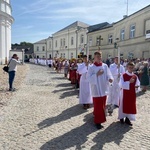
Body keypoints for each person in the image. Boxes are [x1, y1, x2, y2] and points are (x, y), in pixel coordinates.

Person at [87, 51, 113, 129]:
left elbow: (109, 74)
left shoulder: (105, 66)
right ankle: (98, 121)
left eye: (100, 56)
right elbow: (88, 78)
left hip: (104, 88)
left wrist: (110, 79)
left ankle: (97, 114)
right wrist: (96, 74)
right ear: (94, 57)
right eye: (97, 56)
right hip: (96, 89)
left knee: (102, 104)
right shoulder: (91, 67)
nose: (99, 57)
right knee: (98, 105)